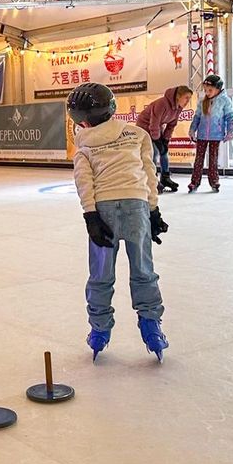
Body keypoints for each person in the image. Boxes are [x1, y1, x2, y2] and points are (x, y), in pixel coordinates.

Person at [67, 82, 169, 362]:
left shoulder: (84, 146)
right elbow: (149, 171)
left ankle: (99, 329)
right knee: (143, 268)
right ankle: (151, 326)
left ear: (81, 120)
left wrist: (90, 216)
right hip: (137, 206)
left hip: (103, 212)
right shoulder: (137, 134)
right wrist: (153, 210)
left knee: (101, 273)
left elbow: (84, 182)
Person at [136, 85, 193, 193]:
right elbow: (154, 123)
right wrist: (157, 141)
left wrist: (166, 140)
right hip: (144, 127)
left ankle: (165, 177)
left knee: (164, 153)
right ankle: (153, 180)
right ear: (178, 96)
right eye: (186, 97)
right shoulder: (162, 104)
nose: (187, 101)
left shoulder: (178, 108)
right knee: (154, 152)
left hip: (156, 128)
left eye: (189, 98)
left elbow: (172, 124)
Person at [187, 74, 233, 193]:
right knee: (199, 159)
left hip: (215, 135)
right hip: (202, 135)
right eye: (205, 90)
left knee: (213, 158)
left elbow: (230, 117)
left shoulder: (224, 101)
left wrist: (230, 131)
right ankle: (194, 182)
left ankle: (214, 181)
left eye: (210, 90)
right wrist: (192, 130)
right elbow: (197, 117)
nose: (207, 92)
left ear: (218, 89)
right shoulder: (203, 101)